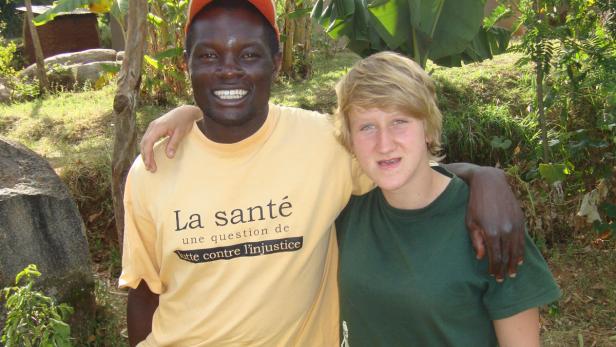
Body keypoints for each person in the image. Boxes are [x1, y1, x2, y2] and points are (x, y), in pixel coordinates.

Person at [121, 0, 526, 345]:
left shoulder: (323, 142)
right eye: (208, 56)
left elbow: (404, 168)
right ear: (187, 63)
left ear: (276, 61)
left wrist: (486, 176)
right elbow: (143, 294)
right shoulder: (155, 167)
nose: (229, 71)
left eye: (249, 55)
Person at [333, 51, 560, 347]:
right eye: (367, 126)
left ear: (427, 128)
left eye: (399, 121)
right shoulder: (347, 209)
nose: (384, 144)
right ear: (350, 139)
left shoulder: (488, 224)